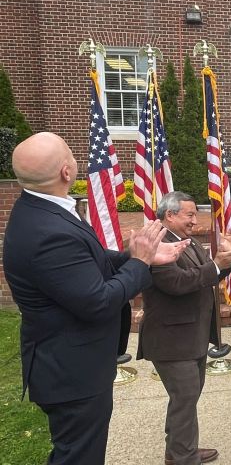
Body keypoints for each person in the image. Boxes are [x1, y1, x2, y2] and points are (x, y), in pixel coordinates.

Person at [3, 132, 187, 465]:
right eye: (70, 155)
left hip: (72, 364)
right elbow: (98, 301)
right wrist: (140, 263)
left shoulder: (41, 207)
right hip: (72, 373)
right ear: (66, 173)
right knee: (79, 456)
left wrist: (132, 255)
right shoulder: (46, 230)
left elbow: (86, 264)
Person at [138, 192, 231, 465]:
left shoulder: (185, 240)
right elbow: (176, 283)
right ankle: (183, 458)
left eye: (195, 215)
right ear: (169, 215)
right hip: (171, 340)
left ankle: (179, 450)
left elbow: (206, 272)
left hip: (191, 336)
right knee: (184, 398)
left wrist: (225, 257)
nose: (195, 221)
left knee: (186, 399)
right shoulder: (157, 243)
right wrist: (217, 264)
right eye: (190, 215)